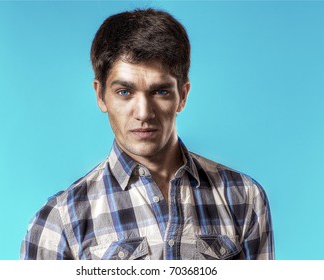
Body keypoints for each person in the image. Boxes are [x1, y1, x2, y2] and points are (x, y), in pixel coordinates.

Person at [21, 8, 274, 260]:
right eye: (124, 92)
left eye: (160, 91)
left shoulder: (244, 197)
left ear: (182, 96)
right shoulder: (59, 222)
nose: (143, 113)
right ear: (100, 95)